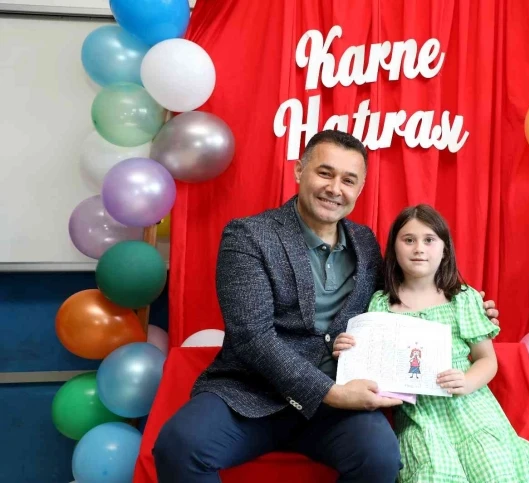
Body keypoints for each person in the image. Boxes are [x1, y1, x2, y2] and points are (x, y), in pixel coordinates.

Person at [153, 130, 500, 483]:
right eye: (325, 173)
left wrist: (466, 302)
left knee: (379, 457)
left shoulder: (364, 242)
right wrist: (331, 394)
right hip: (253, 392)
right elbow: (251, 337)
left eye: (348, 180)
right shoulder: (249, 236)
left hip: (336, 400)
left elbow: (401, 297)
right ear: (299, 170)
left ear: (360, 189)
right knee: (178, 447)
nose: (335, 188)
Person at [333, 204, 529, 483]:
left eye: (429, 240)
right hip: (420, 416)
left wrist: (467, 381)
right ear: (394, 249)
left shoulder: (463, 299)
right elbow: (373, 362)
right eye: (409, 240)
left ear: (445, 250)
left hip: (471, 410)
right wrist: (349, 351)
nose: (419, 248)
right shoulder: (381, 303)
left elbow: (487, 359)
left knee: (494, 468)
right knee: (434, 473)